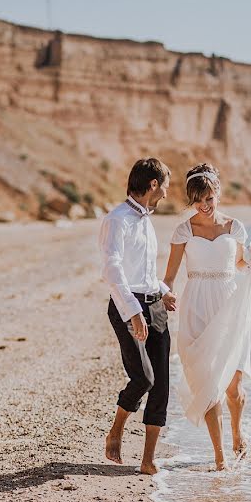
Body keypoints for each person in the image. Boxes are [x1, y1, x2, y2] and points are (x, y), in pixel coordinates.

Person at [162, 163, 251, 471]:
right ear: (190, 199)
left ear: (218, 193)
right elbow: (170, 275)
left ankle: (238, 435)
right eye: (198, 199)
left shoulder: (235, 227)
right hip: (198, 305)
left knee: (234, 387)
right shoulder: (184, 231)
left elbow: (240, 263)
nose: (204, 205)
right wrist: (167, 293)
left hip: (230, 304)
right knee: (209, 379)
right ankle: (220, 457)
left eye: (209, 198)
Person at [98, 157, 177, 475]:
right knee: (144, 377)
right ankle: (116, 430)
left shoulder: (146, 219)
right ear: (153, 185)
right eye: (165, 188)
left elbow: (142, 271)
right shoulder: (117, 219)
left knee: (162, 385)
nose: (167, 195)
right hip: (126, 306)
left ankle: (148, 460)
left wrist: (162, 289)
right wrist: (133, 312)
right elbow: (113, 271)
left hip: (154, 305)